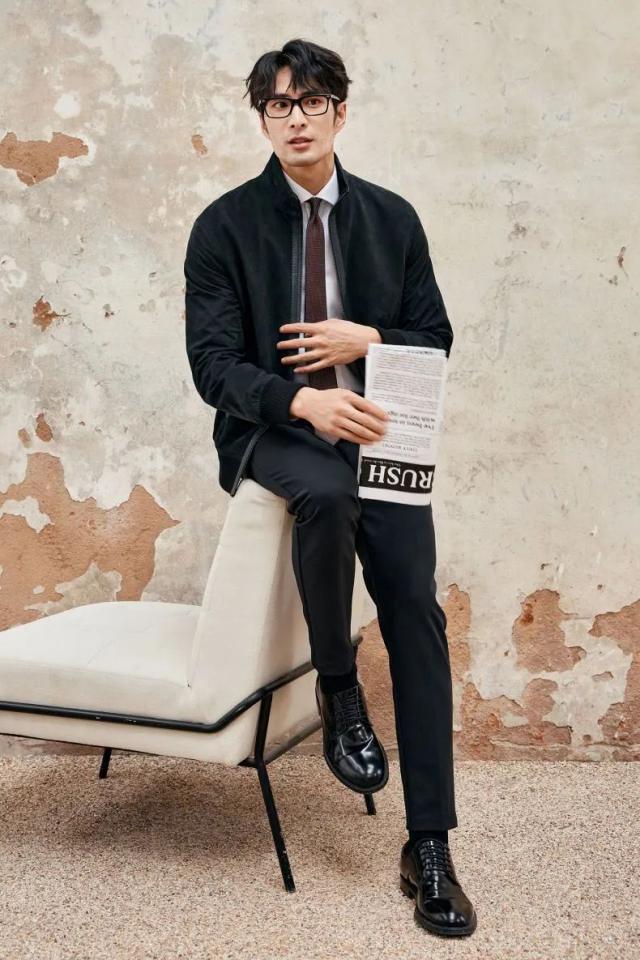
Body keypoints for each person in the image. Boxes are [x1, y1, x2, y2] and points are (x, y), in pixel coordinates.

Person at [184, 38, 477, 937]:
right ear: (263, 120)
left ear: (340, 113)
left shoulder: (392, 218)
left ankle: (430, 846)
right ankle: (339, 685)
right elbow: (212, 366)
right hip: (277, 433)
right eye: (278, 105)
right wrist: (301, 401)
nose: (296, 118)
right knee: (326, 494)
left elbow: (436, 338)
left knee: (417, 614)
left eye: (312, 101)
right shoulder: (224, 226)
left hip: (383, 436)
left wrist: (369, 341)